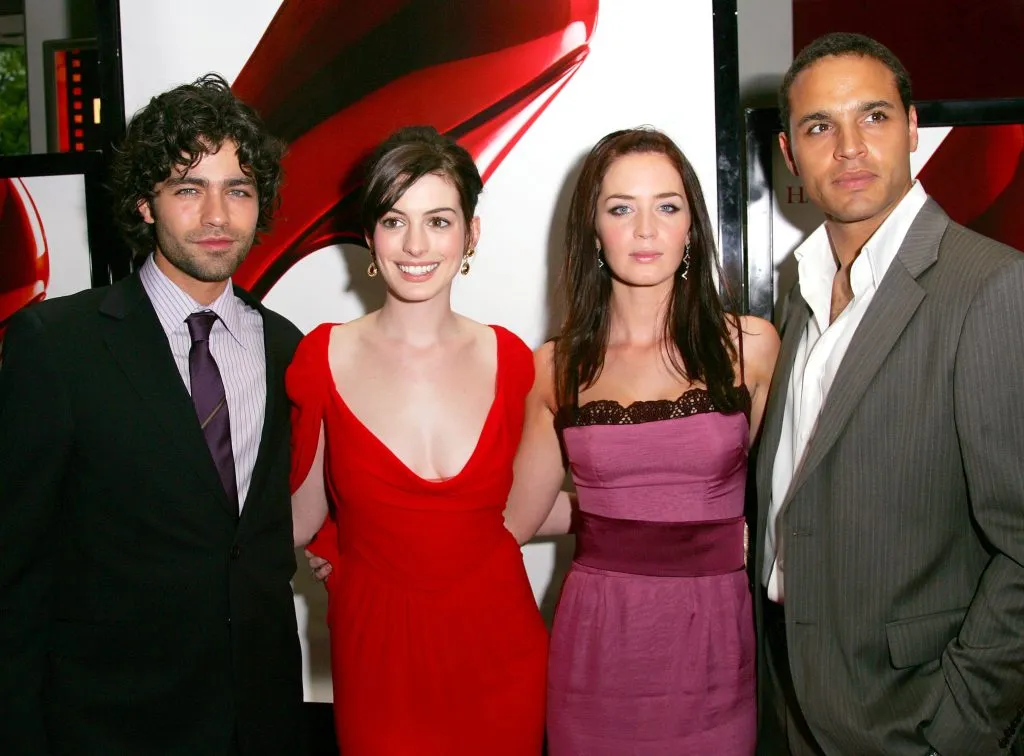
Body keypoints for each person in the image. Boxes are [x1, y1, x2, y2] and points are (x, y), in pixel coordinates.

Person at [0, 74, 304, 755]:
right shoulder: (56, 345)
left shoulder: (289, 349)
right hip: (110, 724)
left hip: (260, 720)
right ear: (145, 203)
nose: (218, 216)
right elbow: (14, 573)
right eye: (189, 188)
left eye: (239, 190)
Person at [754, 32, 1024, 756]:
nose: (848, 147)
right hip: (794, 700)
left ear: (912, 129)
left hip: (913, 719)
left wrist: (959, 728)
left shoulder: (990, 287)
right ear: (788, 155)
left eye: (872, 117)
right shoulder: (797, 296)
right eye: (819, 126)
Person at [503, 127, 779, 755]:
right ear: (594, 231)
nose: (646, 229)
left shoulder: (751, 348)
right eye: (621, 208)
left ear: (692, 228)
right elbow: (514, 520)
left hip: (713, 650)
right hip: (597, 646)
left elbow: (775, 497)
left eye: (668, 206)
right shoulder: (555, 367)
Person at [288, 125, 547, 755]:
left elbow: (526, 506)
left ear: (470, 235)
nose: (415, 244)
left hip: (501, 653)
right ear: (369, 235)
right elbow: (296, 517)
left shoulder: (513, 361)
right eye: (394, 220)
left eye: (438, 220)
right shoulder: (322, 355)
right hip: (379, 660)